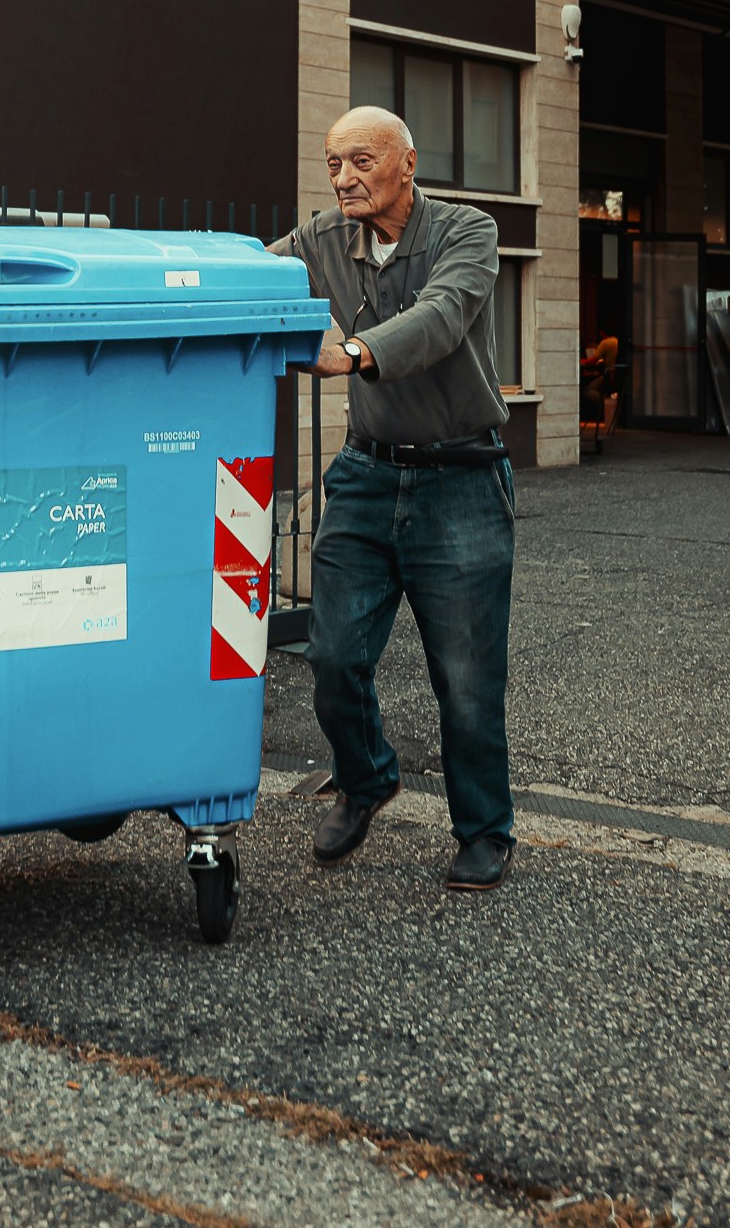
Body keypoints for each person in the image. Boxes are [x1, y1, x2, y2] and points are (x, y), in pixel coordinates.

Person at [272, 106, 517, 892]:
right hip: (366, 477)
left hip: (462, 482)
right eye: (333, 162)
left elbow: (442, 317)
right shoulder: (322, 239)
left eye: (360, 161)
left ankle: (483, 829)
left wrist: (354, 352)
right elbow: (249, 270)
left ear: (407, 163)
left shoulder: (466, 232)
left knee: (468, 680)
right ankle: (368, 776)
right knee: (334, 654)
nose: (343, 177)